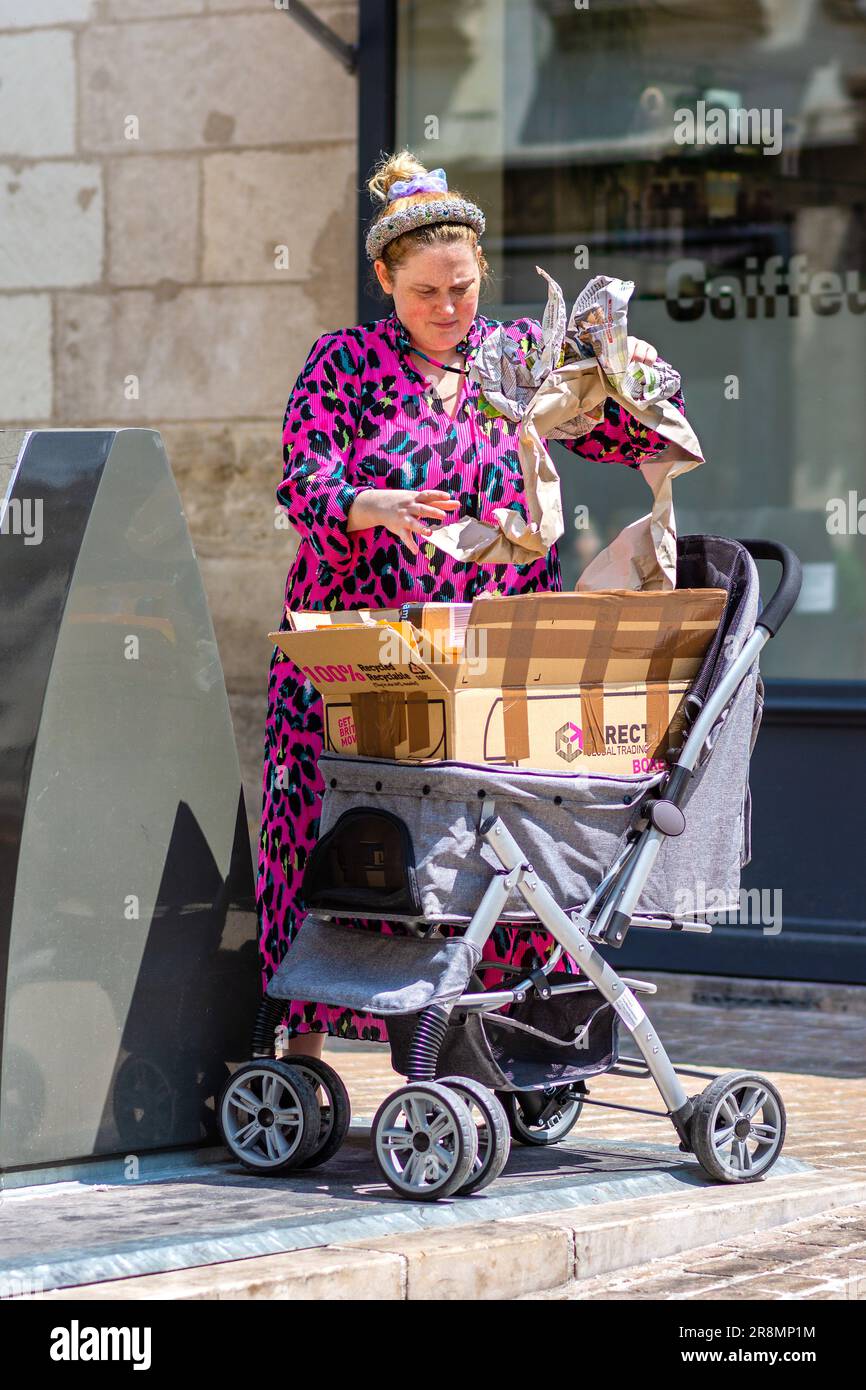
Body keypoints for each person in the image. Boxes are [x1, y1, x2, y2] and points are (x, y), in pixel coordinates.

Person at [257, 151, 686, 1061]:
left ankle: (476, 1043)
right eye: (423, 294)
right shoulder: (345, 363)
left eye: (460, 288)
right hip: (361, 649)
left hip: (486, 658)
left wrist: (636, 378)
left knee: (484, 838)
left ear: (484, 271)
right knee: (349, 835)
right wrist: (363, 506)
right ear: (384, 281)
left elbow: (620, 431)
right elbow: (304, 479)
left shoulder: (519, 360)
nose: (447, 310)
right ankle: (304, 1048)